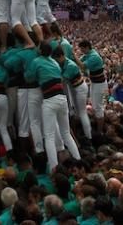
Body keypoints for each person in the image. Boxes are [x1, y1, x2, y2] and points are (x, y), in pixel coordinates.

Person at [30, 43, 81, 173]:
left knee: (49, 137)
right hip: (62, 98)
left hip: (49, 100)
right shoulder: (55, 63)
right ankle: (78, 162)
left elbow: (29, 76)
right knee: (66, 133)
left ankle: (54, 169)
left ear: (40, 50)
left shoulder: (36, 61)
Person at [55, 46, 92, 143]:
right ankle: (83, 134)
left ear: (62, 56)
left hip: (80, 88)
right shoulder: (64, 63)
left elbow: (62, 79)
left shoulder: (70, 65)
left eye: (57, 58)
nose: (57, 61)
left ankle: (89, 137)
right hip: (74, 89)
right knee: (77, 113)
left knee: (82, 113)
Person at [78, 39, 107, 134]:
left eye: (82, 49)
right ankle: (99, 125)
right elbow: (79, 60)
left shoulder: (94, 56)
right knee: (95, 105)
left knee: (97, 107)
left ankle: (100, 131)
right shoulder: (88, 54)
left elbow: (82, 66)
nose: (81, 52)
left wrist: (74, 57)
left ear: (87, 47)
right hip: (95, 83)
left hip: (100, 84)